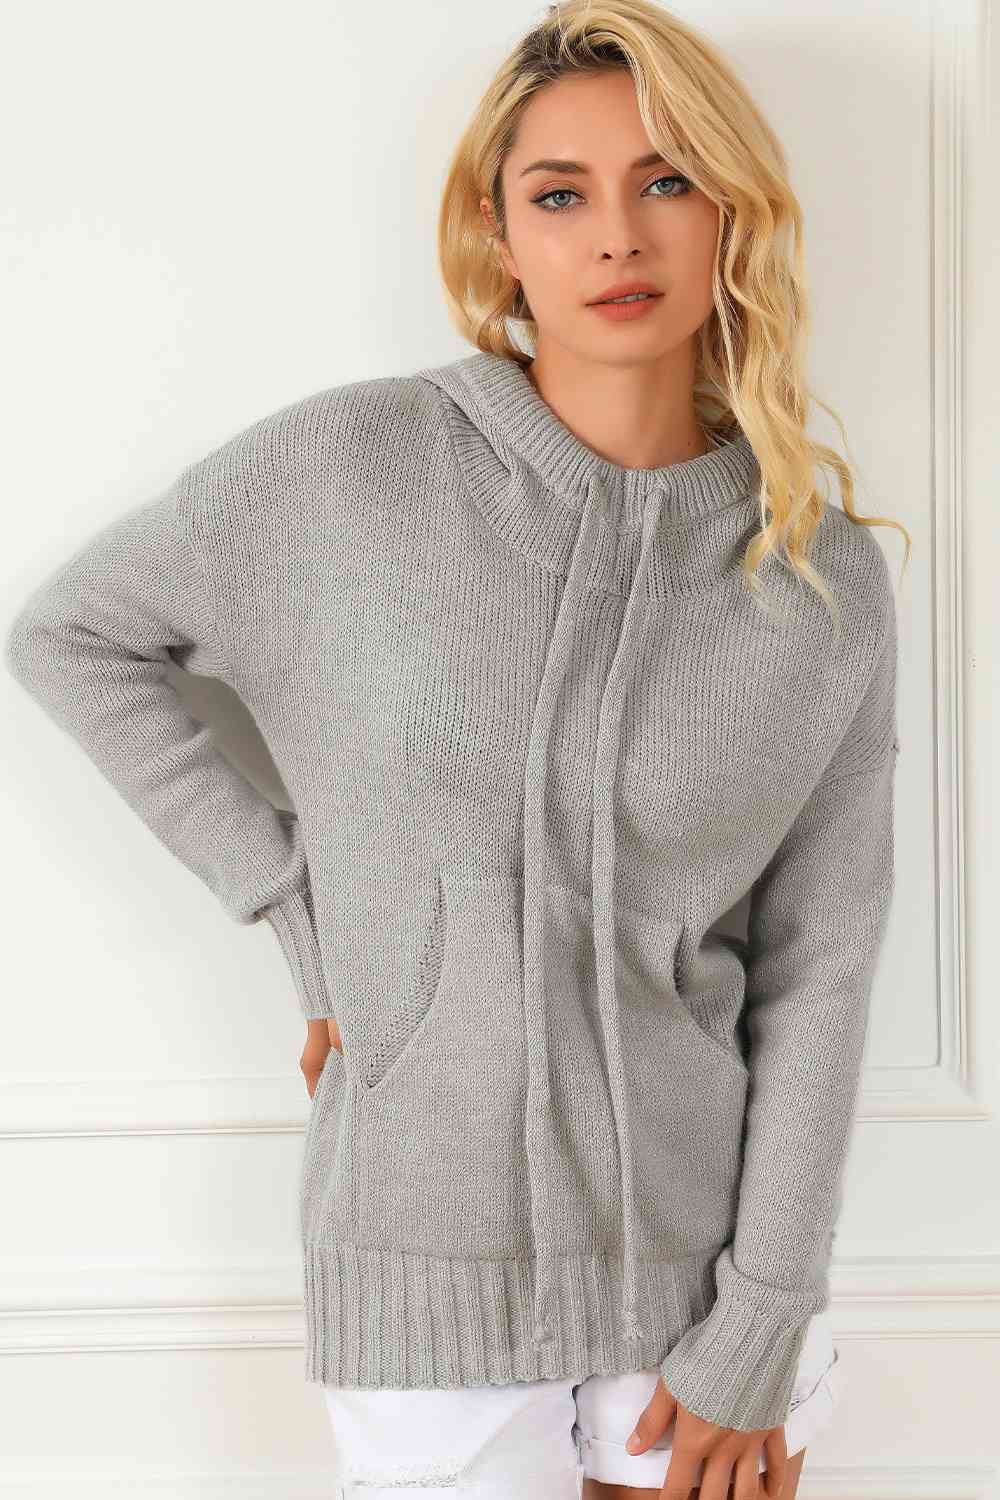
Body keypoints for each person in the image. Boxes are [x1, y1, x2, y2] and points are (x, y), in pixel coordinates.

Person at [5, 1, 912, 1496]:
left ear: (732, 213)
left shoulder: (817, 575)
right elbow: (74, 638)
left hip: (712, 1279)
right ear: (498, 234)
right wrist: (305, 917)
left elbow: (821, 966)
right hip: (422, 1256)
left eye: (667, 180)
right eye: (560, 194)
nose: (617, 235)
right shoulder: (345, 473)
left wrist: (762, 1314)